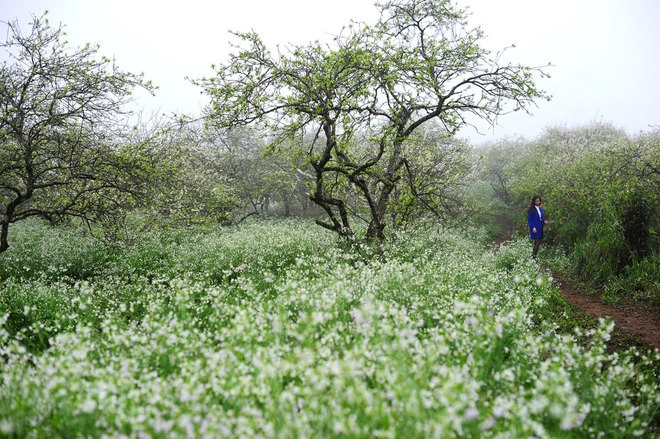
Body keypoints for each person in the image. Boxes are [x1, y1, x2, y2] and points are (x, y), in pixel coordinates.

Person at [527, 195, 548, 259]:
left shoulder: (540, 209)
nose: (538, 202)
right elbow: (530, 220)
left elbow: (541, 218)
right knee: (538, 242)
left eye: (539, 201)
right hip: (535, 228)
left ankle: (533, 256)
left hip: (540, 227)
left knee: (537, 242)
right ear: (534, 201)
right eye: (536, 201)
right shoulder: (531, 210)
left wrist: (544, 221)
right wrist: (533, 227)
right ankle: (534, 257)